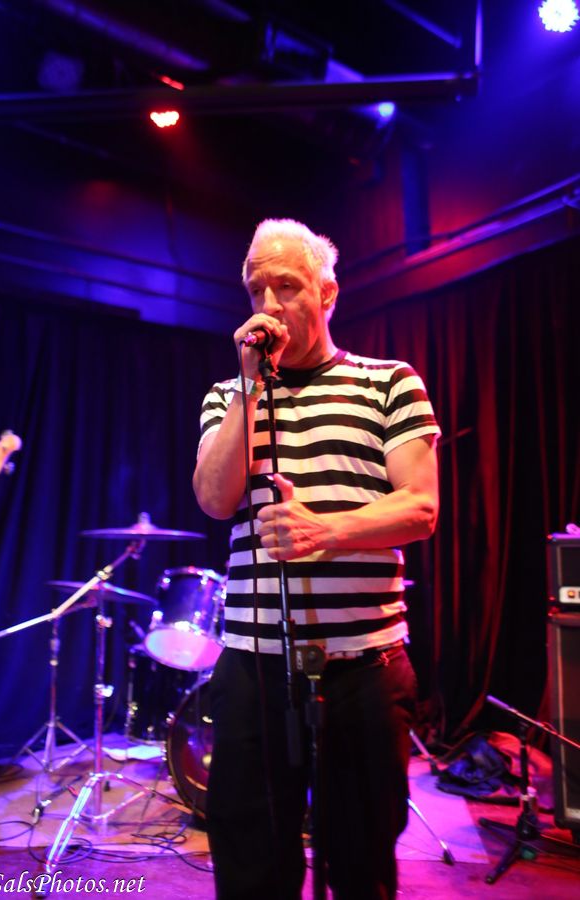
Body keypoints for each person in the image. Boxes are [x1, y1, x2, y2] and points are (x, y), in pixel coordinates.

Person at [193, 218, 440, 900]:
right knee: (250, 866)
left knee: (362, 864)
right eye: (256, 290)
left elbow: (421, 508)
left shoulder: (390, 382)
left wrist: (322, 531)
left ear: (327, 293)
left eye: (287, 286)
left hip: (364, 668)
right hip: (253, 667)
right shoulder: (228, 395)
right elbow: (214, 499)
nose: (269, 305)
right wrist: (249, 387)